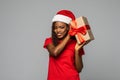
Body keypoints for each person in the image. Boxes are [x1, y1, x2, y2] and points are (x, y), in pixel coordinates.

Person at [43, 9, 86, 80]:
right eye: (55, 28)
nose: (58, 30)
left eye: (61, 27)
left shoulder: (76, 43)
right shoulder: (49, 41)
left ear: (68, 28)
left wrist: (76, 50)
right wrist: (69, 35)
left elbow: (79, 69)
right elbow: (55, 52)